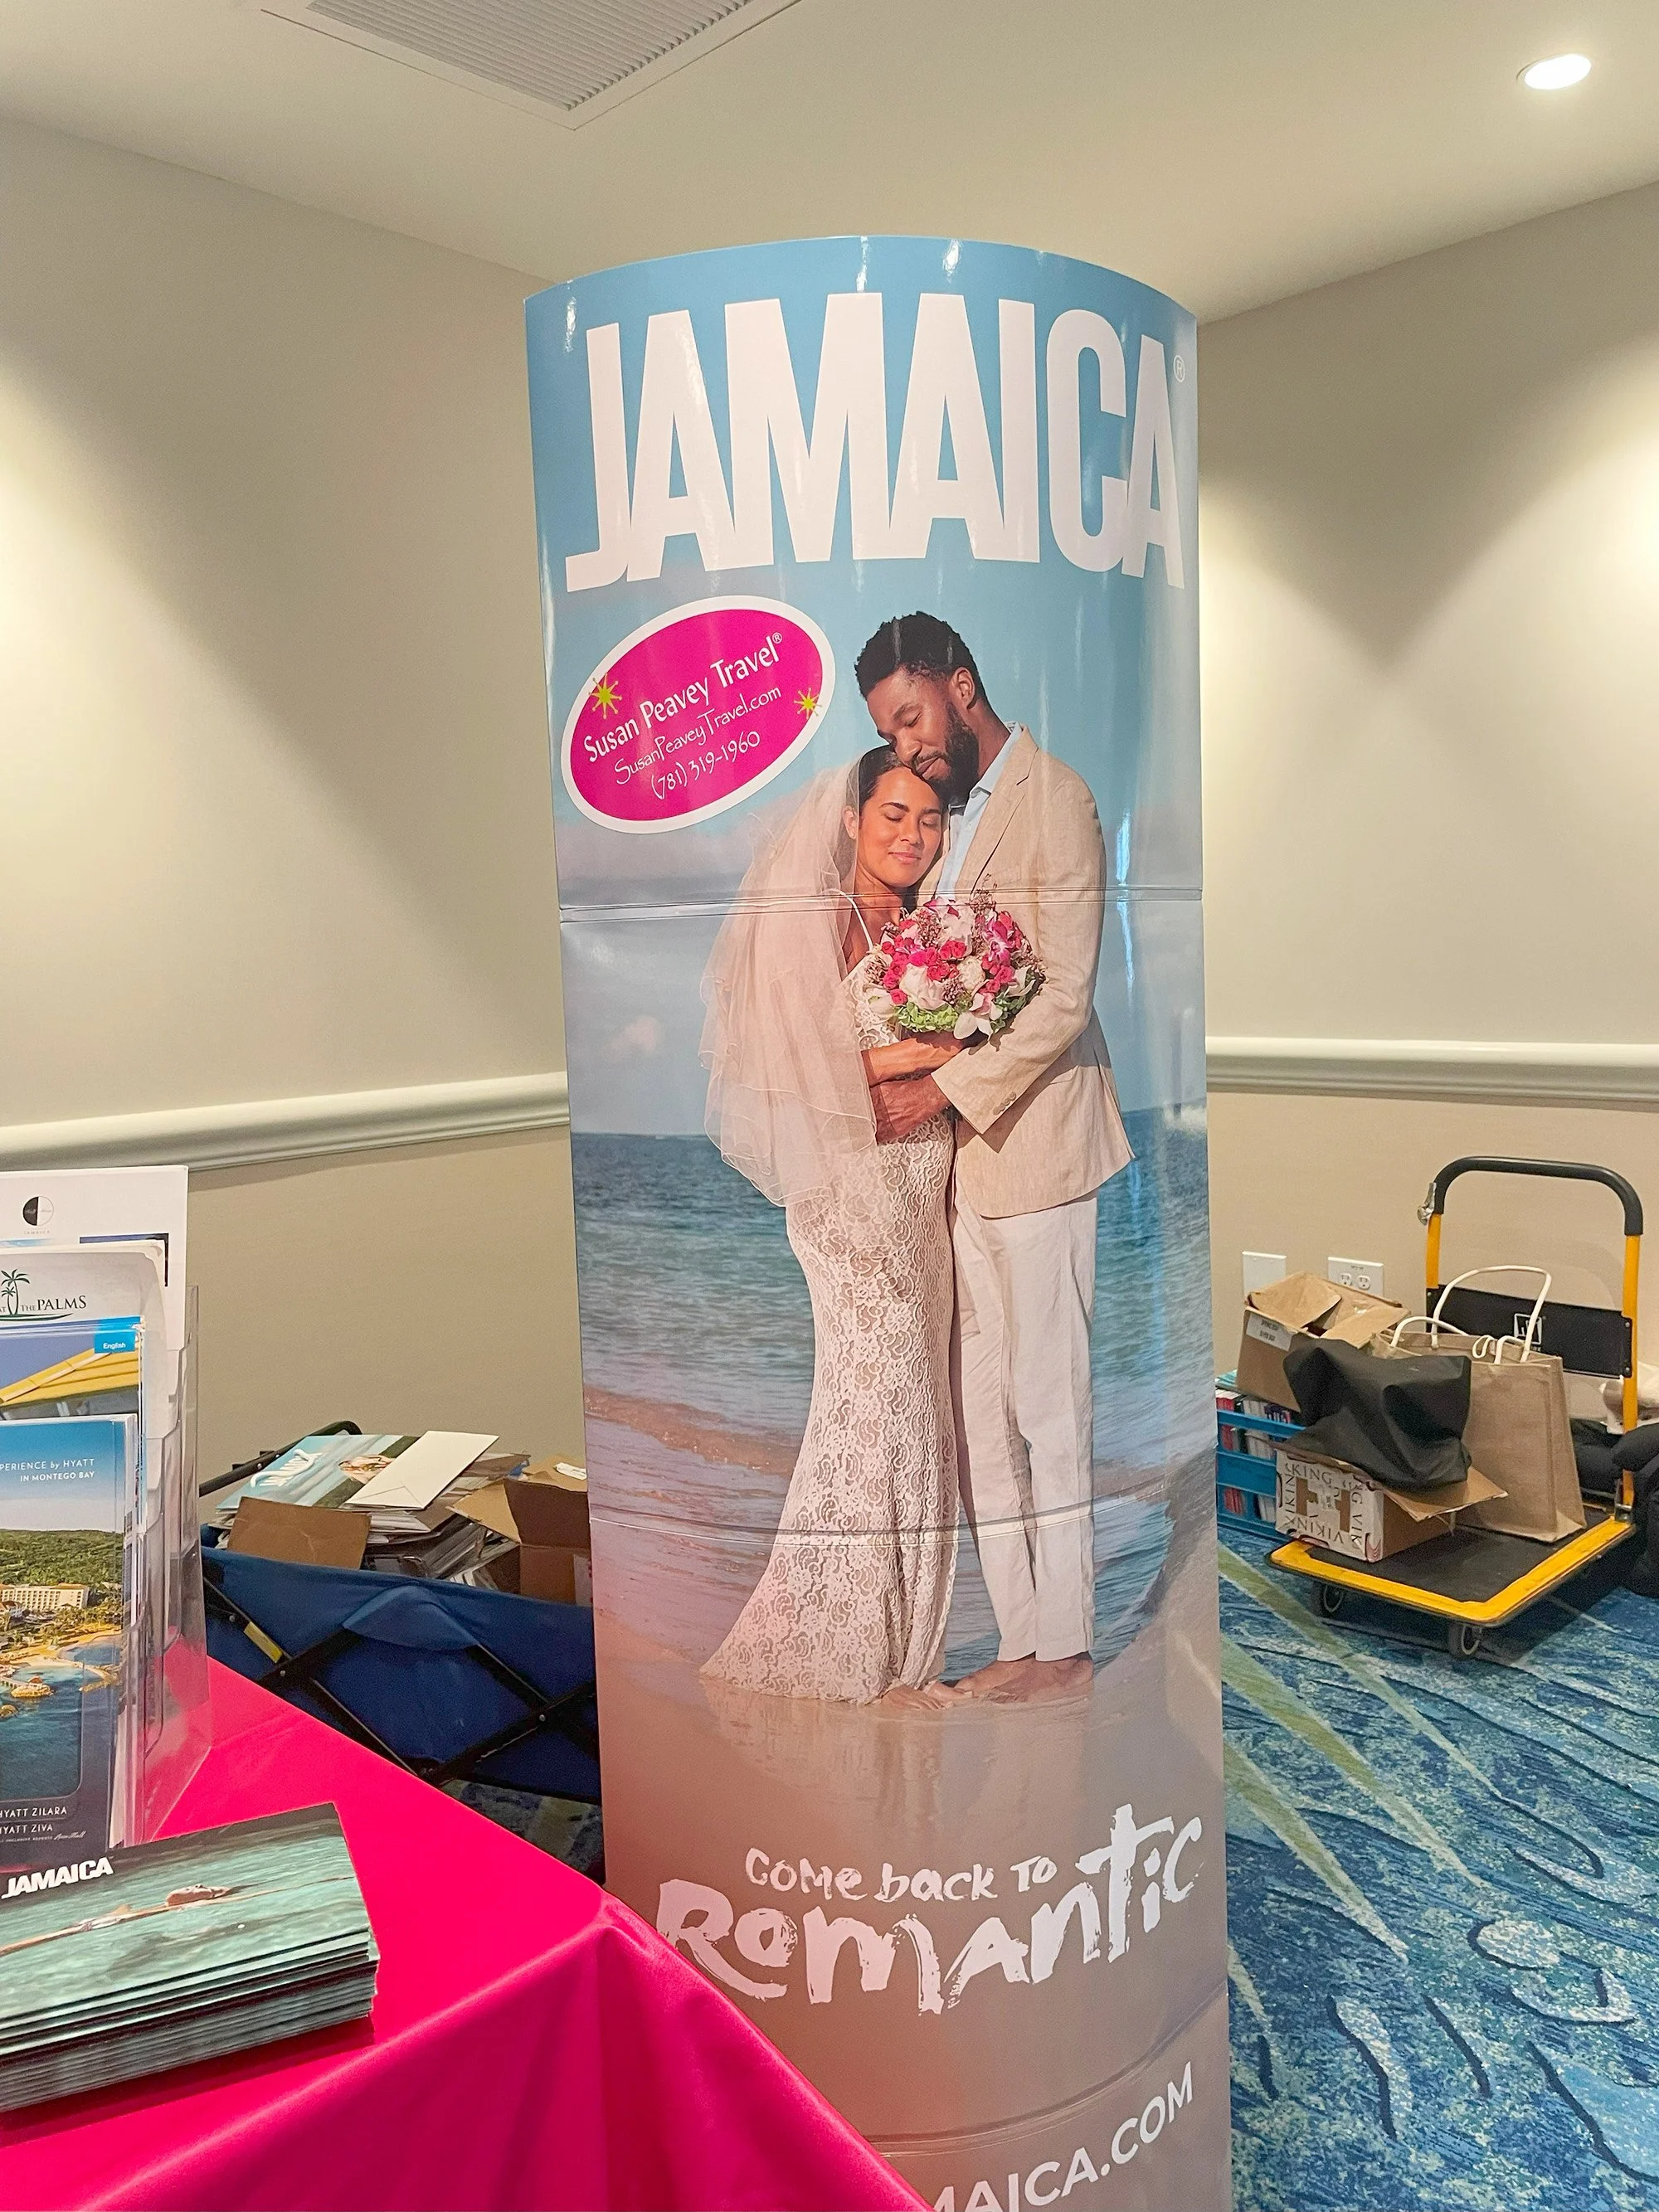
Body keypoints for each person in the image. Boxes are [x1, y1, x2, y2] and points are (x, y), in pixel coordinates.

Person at [855, 612, 1133, 1705]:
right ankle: (1022, 1638)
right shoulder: (951, 824)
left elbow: (1063, 993)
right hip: (960, 1169)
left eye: (911, 718)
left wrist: (937, 1088)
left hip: (1042, 1146)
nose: (907, 745)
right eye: (889, 731)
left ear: (959, 686)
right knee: (980, 1411)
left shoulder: (1056, 798)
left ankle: (1065, 1644)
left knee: (1048, 1406)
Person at [698, 748, 961, 1704]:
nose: (910, 835)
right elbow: (784, 1064)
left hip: (922, 1184)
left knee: (916, 1406)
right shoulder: (812, 916)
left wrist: (948, 1049)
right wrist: (930, 1053)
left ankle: (901, 1644)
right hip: (849, 1192)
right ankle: (838, 1639)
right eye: (893, 814)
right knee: (876, 1398)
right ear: (851, 819)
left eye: (928, 819)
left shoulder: (931, 927)